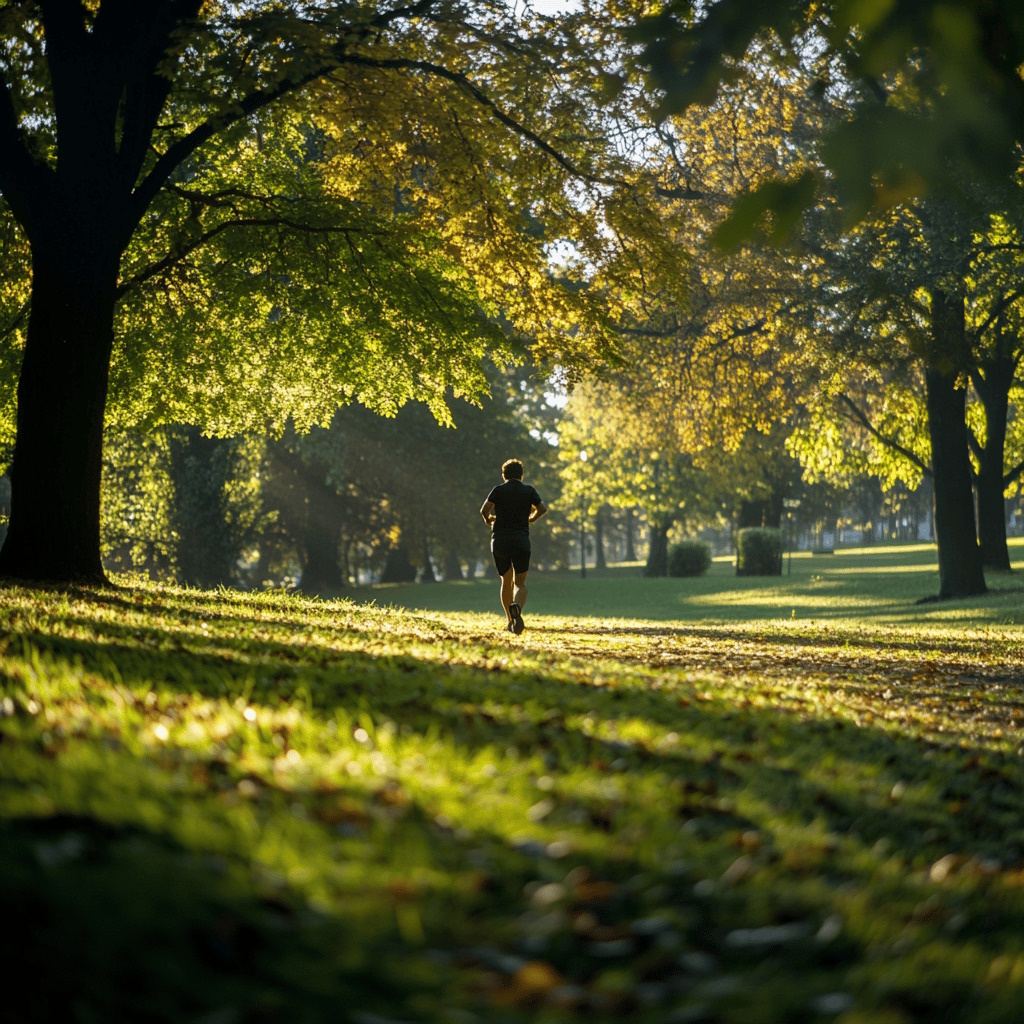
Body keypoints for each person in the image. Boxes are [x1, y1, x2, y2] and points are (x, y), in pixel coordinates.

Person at [480, 458, 547, 634]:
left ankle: (510, 620)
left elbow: (484, 510)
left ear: (504, 475)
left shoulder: (498, 490)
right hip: (521, 541)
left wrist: (489, 520)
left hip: (500, 540)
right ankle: (517, 608)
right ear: (521, 475)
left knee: (506, 581)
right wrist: (531, 518)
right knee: (521, 583)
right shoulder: (528, 490)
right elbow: (542, 509)